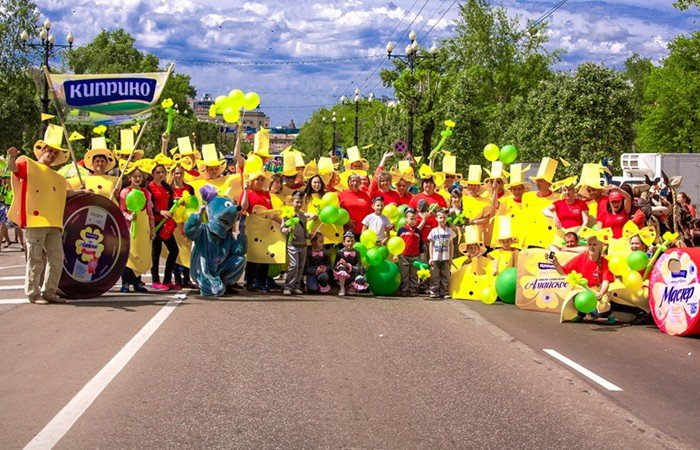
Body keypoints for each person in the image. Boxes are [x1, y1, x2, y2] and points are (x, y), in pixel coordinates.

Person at [6, 126, 89, 304]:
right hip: (35, 221)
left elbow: (64, 194)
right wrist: (11, 156)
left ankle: (49, 292)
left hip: (54, 223)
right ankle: (33, 293)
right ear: (42, 151)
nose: (51, 154)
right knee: (36, 258)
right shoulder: (29, 165)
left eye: (55, 153)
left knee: (57, 258)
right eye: (49, 150)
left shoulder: (58, 177)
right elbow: (12, 168)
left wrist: (83, 192)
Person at [552, 234, 615, 323]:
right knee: (577, 298)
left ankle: (609, 313)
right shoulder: (581, 258)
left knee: (598, 311)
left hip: (598, 291)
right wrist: (555, 262)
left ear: (601, 246)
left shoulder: (606, 262)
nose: (591, 247)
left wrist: (601, 293)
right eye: (589, 244)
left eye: (595, 244)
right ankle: (581, 314)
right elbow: (563, 272)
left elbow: (606, 282)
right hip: (583, 289)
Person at [119, 164, 155, 293]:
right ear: (130, 177)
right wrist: (129, 217)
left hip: (142, 228)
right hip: (129, 229)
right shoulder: (125, 192)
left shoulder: (146, 193)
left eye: (140, 176)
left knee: (141, 254)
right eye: (135, 176)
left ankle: (137, 282)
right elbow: (121, 210)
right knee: (129, 256)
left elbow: (149, 212)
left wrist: (152, 229)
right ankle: (125, 283)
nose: (138, 179)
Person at [148, 159, 179, 291]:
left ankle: (167, 280)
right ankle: (155, 280)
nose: (160, 174)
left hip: (166, 225)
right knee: (156, 252)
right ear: (153, 173)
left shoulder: (167, 187)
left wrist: (175, 203)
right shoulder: (148, 187)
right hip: (155, 223)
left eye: (163, 172)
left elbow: (170, 203)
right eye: (158, 172)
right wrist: (160, 211)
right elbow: (148, 206)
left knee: (174, 250)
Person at [168, 163, 196, 288]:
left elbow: (193, 204)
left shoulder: (189, 188)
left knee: (187, 249)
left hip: (186, 223)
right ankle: (177, 277)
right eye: (176, 173)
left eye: (181, 173)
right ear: (173, 174)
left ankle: (186, 277)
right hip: (173, 223)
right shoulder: (169, 188)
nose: (178, 175)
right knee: (175, 250)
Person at [281, 191, 308, 296]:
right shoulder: (287, 215)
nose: (299, 204)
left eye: (301, 202)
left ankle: (296, 286)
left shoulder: (303, 216)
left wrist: (309, 235)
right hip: (292, 244)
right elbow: (282, 228)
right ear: (292, 202)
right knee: (294, 265)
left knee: (301, 266)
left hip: (303, 245)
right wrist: (287, 231)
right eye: (297, 202)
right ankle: (288, 286)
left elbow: (305, 230)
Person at [396, 208, 428, 296]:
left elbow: (421, 244)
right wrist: (396, 254)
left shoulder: (418, 231)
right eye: (411, 219)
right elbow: (397, 243)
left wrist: (421, 255)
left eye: (415, 219)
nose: (413, 221)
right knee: (404, 274)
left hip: (415, 256)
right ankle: (404, 290)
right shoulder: (401, 230)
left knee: (413, 274)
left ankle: (412, 290)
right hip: (403, 256)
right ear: (405, 219)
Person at [427, 209, 455, 299]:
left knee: (445, 275)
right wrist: (431, 257)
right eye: (440, 218)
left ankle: (444, 291)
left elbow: (451, 245)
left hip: (445, 257)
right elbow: (431, 244)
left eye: (444, 218)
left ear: (447, 219)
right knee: (434, 275)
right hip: (435, 256)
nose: (442, 220)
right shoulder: (433, 231)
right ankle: (434, 291)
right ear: (436, 218)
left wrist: (451, 257)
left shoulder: (449, 231)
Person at [339, 173, 372, 238]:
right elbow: (339, 211)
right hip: (347, 230)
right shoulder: (342, 194)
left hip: (363, 230)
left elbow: (370, 211)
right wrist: (347, 221)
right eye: (352, 181)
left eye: (357, 181)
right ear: (348, 182)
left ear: (360, 183)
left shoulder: (365, 195)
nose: (355, 183)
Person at [334, 231, 365, 296]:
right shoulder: (340, 252)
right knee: (341, 267)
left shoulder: (357, 253)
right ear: (343, 243)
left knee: (360, 279)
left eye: (352, 241)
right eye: (348, 241)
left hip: (353, 276)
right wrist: (339, 264)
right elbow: (334, 267)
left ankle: (351, 287)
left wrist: (347, 265)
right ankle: (342, 288)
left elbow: (358, 268)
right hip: (343, 277)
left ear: (354, 242)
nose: (350, 243)